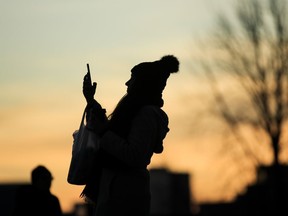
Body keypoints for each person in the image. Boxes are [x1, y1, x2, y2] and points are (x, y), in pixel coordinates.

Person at [81, 55, 179, 216]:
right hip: (119, 194)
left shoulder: (146, 114)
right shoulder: (138, 111)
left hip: (125, 197)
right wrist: (91, 101)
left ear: (142, 83)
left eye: (132, 78)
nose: (127, 83)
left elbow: (135, 155)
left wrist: (103, 132)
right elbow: (112, 132)